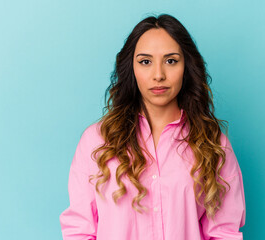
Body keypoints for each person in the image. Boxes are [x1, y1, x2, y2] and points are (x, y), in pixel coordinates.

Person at [59, 13, 246, 240]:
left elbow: (224, 233)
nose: (159, 75)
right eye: (145, 62)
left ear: (186, 67)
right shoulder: (96, 141)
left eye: (171, 61)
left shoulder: (213, 144)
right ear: (132, 68)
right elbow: (80, 231)